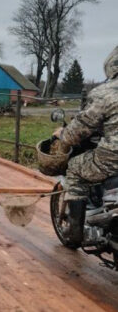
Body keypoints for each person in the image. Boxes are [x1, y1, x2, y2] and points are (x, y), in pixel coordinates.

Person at [53, 46, 118, 243]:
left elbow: (80, 128)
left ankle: (75, 232)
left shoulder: (105, 92)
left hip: (112, 157)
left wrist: (63, 134)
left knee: (74, 168)